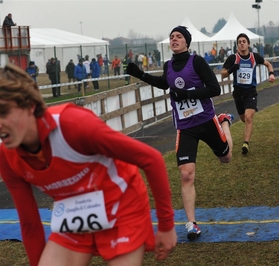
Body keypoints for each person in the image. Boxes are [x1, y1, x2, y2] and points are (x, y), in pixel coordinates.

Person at [0, 63, 177, 266]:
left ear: (30, 105)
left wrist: (166, 226)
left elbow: (151, 159)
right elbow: (30, 224)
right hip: (73, 214)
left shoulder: (73, 125)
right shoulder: (7, 157)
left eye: (4, 112)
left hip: (123, 210)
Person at [126, 26, 234, 240]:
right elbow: (162, 84)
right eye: (172, 37)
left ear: (187, 42)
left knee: (226, 157)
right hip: (185, 127)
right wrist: (139, 74)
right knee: (186, 175)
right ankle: (191, 224)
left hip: (206, 120)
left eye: (178, 36)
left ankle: (224, 123)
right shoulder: (168, 66)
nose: (174, 39)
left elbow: (214, 89)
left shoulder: (197, 62)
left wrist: (186, 94)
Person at [222, 33, 275, 155]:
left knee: (248, 117)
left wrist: (271, 73)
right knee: (243, 118)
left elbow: (268, 64)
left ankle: (246, 143)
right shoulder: (233, 58)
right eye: (239, 42)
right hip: (238, 93)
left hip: (250, 91)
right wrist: (231, 69)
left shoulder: (254, 57)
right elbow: (223, 74)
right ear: (237, 45)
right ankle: (249, 128)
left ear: (248, 44)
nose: (241, 43)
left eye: (244, 41)